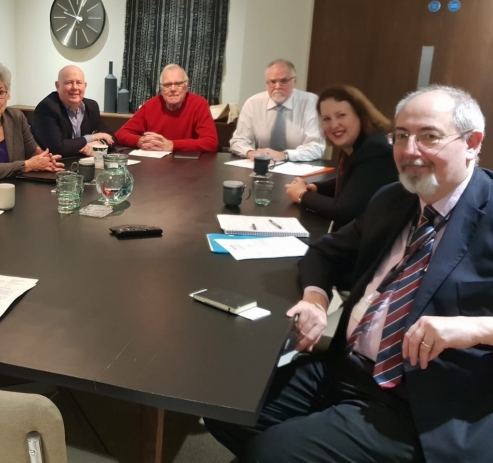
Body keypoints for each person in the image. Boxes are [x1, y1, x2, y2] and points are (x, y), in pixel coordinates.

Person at [206, 85, 492, 463]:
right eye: (402, 136)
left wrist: (477, 329)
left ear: (472, 143)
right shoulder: (394, 200)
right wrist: (315, 299)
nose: (409, 151)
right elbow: (324, 252)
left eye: (429, 137)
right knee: (222, 403)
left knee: (271, 452)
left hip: (419, 401)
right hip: (345, 365)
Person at [284, 85, 397, 229]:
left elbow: (344, 211)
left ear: (360, 114)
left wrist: (302, 196)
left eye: (341, 115)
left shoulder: (376, 150)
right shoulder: (360, 143)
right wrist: (316, 188)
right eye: (326, 119)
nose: (334, 125)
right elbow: (355, 179)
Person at [230, 59, 325, 161]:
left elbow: (316, 146)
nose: (277, 86)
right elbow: (238, 141)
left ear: (294, 81)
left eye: (283, 81)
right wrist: (250, 153)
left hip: (298, 168)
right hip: (263, 166)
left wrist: (284, 155)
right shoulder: (253, 103)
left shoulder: (311, 103)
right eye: (272, 82)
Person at [114, 64, 218, 152]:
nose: (173, 89)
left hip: (187, 166)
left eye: (178, 84)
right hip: (154, 166)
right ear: (161, 89)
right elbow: (120, 134)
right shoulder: (150, 105)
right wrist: (140, 141)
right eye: (167, 85)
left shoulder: (199, 104)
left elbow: (211, 143)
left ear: (186, 86)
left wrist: (172, 145)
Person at [32, 65, 115, 157]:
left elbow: (110, 137)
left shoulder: (91, 106)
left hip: (82, 163)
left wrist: (98, 144)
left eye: (79, 83)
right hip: (54, 166)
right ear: (57, 86)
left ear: (85, 86)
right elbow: (58, 148)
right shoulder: (47, 108)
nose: (75, 87)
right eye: (69, 82)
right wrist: (93, 137)